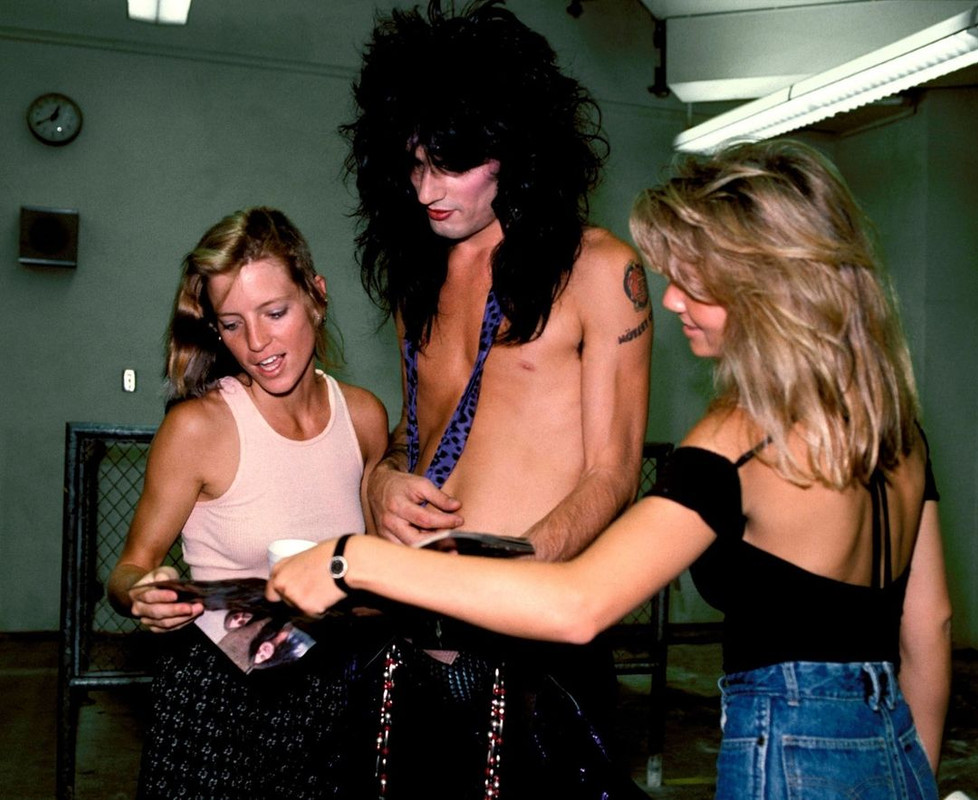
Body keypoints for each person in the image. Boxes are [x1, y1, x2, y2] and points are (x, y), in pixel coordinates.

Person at [268, 140, 953, 799]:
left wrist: (349, 562)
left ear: (768, 285)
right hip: (890, 743)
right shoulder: (894, 430)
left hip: (788, 758)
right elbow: (931, 630)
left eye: (695, 281)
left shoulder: (739, 435)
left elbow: (578, 605)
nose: (675, 300)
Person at [339, 1, 653, 796]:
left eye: (448, 166)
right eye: (411, 166)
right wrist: (380, 478)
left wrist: (521, 576)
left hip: (537, 639)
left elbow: (613, 472)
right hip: (417, 633)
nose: (425, 191)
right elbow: (422, 430)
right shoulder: (422, 279)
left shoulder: (599, 269)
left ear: (512, 150)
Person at [107, 206, 389, 800]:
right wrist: (143, 593)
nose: (257, 343)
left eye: (275, 312)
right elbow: (128, 569)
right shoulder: (199, 428)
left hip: (333, 694)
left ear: (317, 295)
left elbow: (373, 567)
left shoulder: (362, 417)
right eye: (231, 324)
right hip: (216, 705)